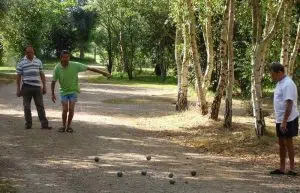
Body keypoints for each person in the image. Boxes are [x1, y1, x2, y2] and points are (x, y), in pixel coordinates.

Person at [51, 50, 111, 133]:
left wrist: (103, 72)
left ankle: (69, 126)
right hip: (63, 91)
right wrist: (52, 93)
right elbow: (53, 81)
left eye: (68, 57)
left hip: (73, 91)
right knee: (65, 110)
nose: (66, 59)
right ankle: (63, 126)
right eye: (64, 57)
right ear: (61, 58)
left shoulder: (75, 65)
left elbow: (90, 68)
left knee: (71, 109)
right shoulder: (57, 68)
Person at [269, 62, 299, 176]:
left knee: (288, 143)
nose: (272, 77)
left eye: (273, 75)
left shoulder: (288, 84)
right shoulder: (280, 83)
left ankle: (292, 169)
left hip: (289, 119)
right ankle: (282, 168)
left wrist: (285, 121)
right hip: (280, 119)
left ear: (279, 72)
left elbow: (289, 103)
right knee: (281, 143)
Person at [16, 45, 52, 130]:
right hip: (26, 87)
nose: (30, 54)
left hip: (37, 88)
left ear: (34, 52)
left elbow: (42, 75)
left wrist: (44, 86)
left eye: (31, 52)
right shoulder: (21, 62)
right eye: (28, 52)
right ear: (25, 53)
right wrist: (18, 89)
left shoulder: (38, 61)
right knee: (26, 106)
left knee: (40, 106)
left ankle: (44, 124)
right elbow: (18, 77)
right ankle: (28, 124)